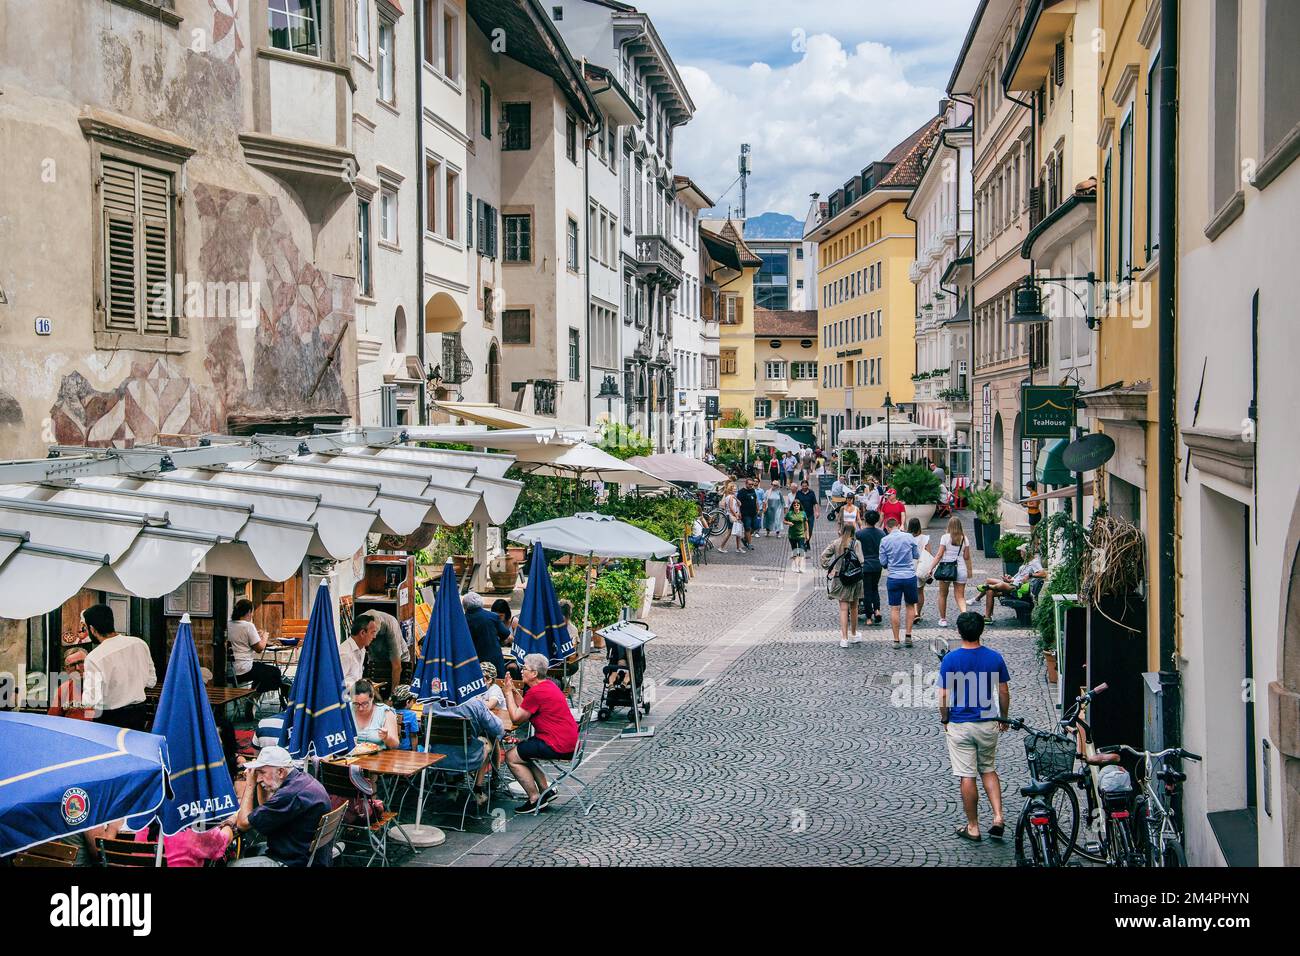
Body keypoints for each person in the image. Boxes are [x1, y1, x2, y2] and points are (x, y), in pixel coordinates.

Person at [938, 612, 1010, 842]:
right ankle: (998, 817)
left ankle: (973, 826)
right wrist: (1003, 717)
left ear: (959, 632)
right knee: (988, 769)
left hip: (960, 723)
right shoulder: (994, 657)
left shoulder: (950, 660)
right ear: (981, 630)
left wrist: (945, 719)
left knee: (966, 775)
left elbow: (943, 695)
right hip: (987, 721)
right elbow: (1003, 691)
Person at [500, 653, 579, 813]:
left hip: (557, 744)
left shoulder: (536, 693)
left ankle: (534, 798)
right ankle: (545, 791)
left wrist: (507, 693)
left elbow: (516, 718)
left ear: (534, 673)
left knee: (511, 757)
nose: (521, 671)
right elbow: (526, 708)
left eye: (524, 668)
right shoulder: (548, 685)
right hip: (569, 741)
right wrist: (515, 691)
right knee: (525, 750)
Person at [232, 746, 332, 866]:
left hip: (296, 861)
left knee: (233, 865)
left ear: (280, 772)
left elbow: (242, 824)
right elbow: (266, 808)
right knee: (252, 850)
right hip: (309, 854)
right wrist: (260, 781)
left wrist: (250, 784)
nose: (258, 778)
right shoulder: (301, 780)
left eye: (262, 772)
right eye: (257, 773)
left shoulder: (290, 794)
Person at [429, 674, 504, 807]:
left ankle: (451, 787)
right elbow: (498, 729)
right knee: (486, 743)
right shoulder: (474, 703)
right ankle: (478, 790)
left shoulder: (431, 703)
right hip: (468, 759)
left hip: (436, 759)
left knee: (446, 743)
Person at [81, 604, 156, 730]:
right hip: (139, 712)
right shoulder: (139, 643)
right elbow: (151, 681)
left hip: (111, 718)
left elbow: (91, 700)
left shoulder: (94, 658)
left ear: (92, 629)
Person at [228, 599, 290, 707]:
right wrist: (265, 636)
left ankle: (253, 698)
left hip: (230, 671)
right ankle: (253, 697)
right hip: (244, 670)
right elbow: (259, 648)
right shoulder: (248, 626)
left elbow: (242, 639)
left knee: (262, 671)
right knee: (275, 672)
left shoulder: (229, 624)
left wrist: (256, 635)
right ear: (248, 612)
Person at [976, 543, 1047, 623]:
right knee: (989, 581)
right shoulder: (1027, 562)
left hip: (1017, 589)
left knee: (994, 588)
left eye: (1021, 552)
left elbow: (1043, 574)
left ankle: (988, 588)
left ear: (1025, 553)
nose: (1020, 554)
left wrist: (1030, 575)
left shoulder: (1034, 562)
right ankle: (984, 610)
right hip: (1013, 584)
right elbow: (1019, 577)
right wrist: (1010, 579)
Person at [820, 524, 865, 649]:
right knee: (854, 608)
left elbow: (823, 557)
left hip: (840, 579)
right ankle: (854, 634)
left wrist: (831, 568)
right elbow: (861, 561)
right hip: (854, 579)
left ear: (841, 531)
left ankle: (844, 638)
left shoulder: (836, 543)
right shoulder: (856, 543)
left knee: (843, 610)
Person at [879, 517, 920, 648]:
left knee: (895, 608)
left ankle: (896, 640)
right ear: (898, 525)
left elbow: (883, 562)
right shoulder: (909, 537)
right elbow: (916, 555)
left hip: (894, 578)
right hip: (909, 576)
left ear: (887, 527)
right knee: (910, 606)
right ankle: (908, 635)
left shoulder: (884, 540)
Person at [934, 516, 974, 626]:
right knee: (960, 596)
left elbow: (939, 555)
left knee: (943, 594)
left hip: (946, 570)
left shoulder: (945, 537)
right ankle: (965, 615)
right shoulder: (964, 539)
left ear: (949, 526)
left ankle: (943, 619)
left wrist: (931, 568)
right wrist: (970, 570)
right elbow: (966, 556)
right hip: (961, 569)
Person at [357, 609, 408, 695]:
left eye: (376, 632)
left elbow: (397, 667)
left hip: (399, 659)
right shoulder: (360, 622)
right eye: (372, 633)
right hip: (376, 656)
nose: (374, 636)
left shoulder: (390, 625)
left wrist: (393, 697)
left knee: (398, 695)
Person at [462, 591, 510, 677]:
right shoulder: (493, 617)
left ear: (465, 607)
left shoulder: (462, 620)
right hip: (494, 661)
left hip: (472, 661)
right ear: (481, 603)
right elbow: (505, 634)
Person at [855, 510, 886, 626]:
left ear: (865, 520)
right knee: (875, 588)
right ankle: (877, 610)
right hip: (878, 565)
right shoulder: (882, 534)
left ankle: (869, 617)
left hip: (865, 565)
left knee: (867, 591)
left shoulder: (860, 534)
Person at [350, 679, 400, 749]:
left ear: (372, 697)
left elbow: (395, 745)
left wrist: (386, 737)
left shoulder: (385, 712)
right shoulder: (346, 710)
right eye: (356, 704)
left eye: (365, 703)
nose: (360, 708)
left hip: (379, 757)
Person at [47, 646, 90, 720]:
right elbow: (52, 719)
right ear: (67, 670)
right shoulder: (64, 689)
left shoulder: (103, 685)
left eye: (81, 662)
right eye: (72, 665)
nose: (77, 668)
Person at [339, 616, 377, 695]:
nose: (374, 636)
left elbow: (354, 678)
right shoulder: (345, 654)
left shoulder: (362, 649)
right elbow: (337, 684)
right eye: (372, 632)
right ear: (362, 633)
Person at [909, 517, 934, 623]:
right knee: (920, 591)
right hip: (922, 566)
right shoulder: (925, 538)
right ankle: (918, 612)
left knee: (911, 591)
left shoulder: (907, 538)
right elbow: (929, 553)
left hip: (910, 566)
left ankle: (913, 612)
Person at [784, 498, 809, 574]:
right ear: (793, 506)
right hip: (792, 535)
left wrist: (807, 533)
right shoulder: (790, 513)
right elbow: (784, 521)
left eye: (797, 505)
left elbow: (806, 523)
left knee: (801, 550)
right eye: (794, 505)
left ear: (799, 506)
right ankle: (796, 565)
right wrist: (788, 523)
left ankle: (801, 566)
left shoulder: (803, 513)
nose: (796, 506)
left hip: (801, 534)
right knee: (795, 550)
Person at [720, 481, 744, 554]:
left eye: (736, 488)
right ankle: (721, 547)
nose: (735, 489)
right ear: (730, 489)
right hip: (732, 515)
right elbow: (731, 507)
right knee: (730, 532)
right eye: (734, 488)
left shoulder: (732, 496)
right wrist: (736, 515)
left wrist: (736, 499)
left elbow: (740, 504)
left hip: (733, 515)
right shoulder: (730, 497)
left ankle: (738, 547)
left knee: (737, 531)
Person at [794, 479, 819, 549]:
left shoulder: (811, 493)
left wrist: (817, 512)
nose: (804, 487)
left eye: (805, 486)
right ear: (801, 486)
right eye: (803, 486)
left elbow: (815, 503)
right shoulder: (798, 493)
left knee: (810, 530)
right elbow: (796, 502)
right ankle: (803, 544)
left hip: (810, 515)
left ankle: (807, 541)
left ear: (808, 486)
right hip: (801, 515)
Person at [737, 477, 760, 551]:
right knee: (748, 528)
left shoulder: (753, 490)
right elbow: (738, 504)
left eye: (752, 484)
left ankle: (744, 539)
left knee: (756, 527)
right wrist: (739, 513)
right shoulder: (741, 492)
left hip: (754, 513)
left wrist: (758, 509)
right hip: (745, 514)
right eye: (749, 484)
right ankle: (749, 544)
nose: (751, 486)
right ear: (746, 484)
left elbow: (756, 500)